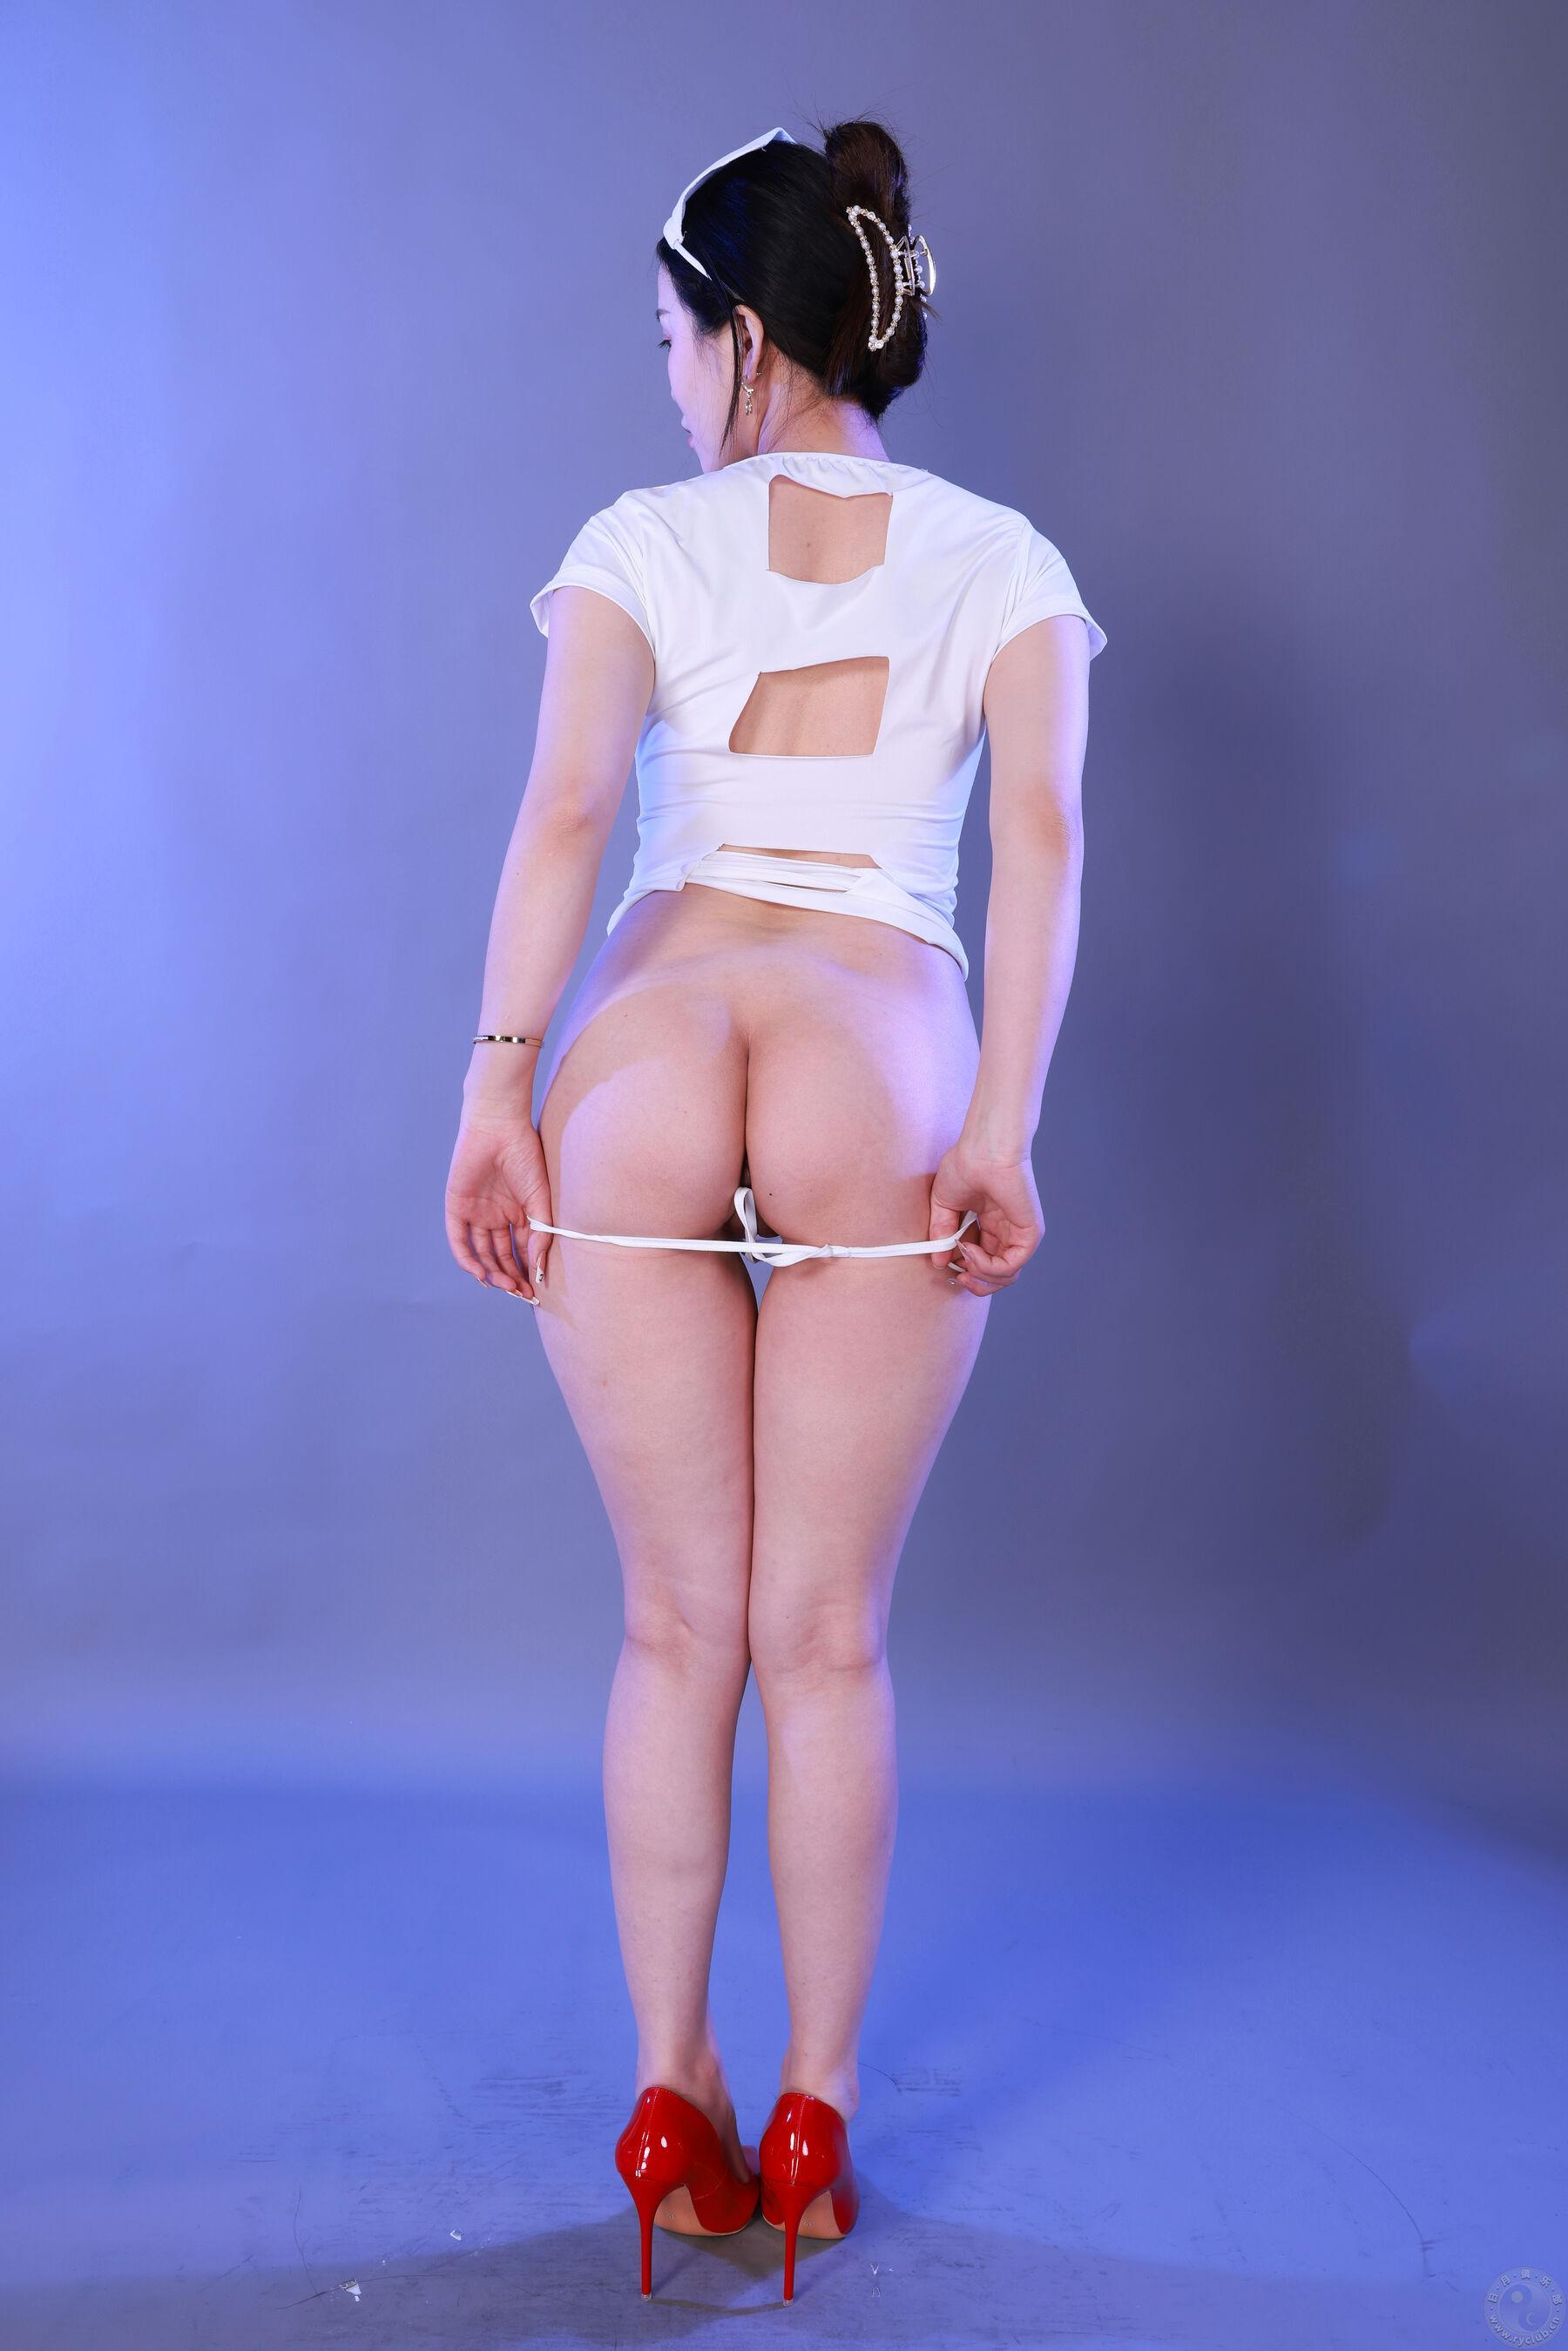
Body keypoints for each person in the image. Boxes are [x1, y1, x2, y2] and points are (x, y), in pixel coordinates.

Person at [443, 115, 1105, 2302]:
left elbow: (566, 814)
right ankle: (810, 2119)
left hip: (646, 1046)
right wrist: (999, 1122)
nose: (661, 380)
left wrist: (498, 1093)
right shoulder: (1005, 562)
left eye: (667, 336)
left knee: (674, 1630)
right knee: (824, 1641)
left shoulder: (642, 541)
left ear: (743, 336)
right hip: (874, 1052)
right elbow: (1041, 844)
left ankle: (670, 2090)